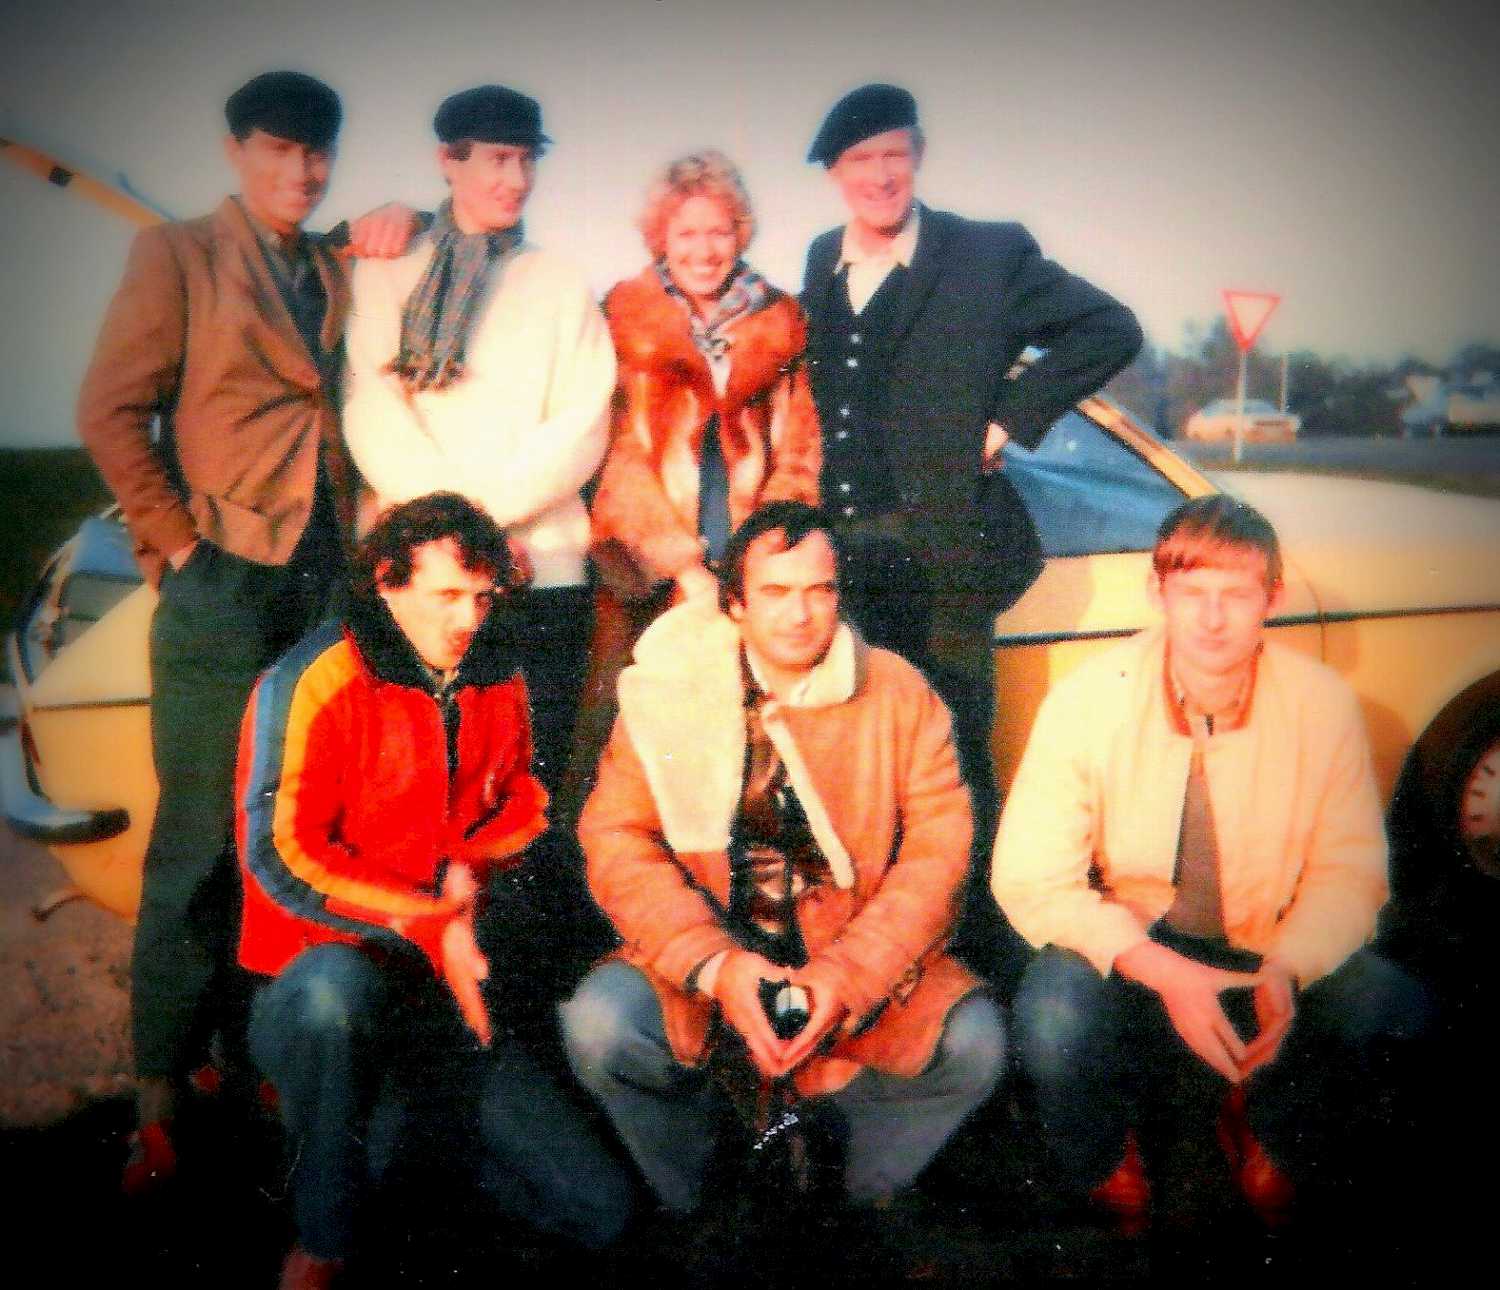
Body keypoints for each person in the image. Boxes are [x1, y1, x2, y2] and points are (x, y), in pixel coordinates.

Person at [560, 501, 1004, 1224]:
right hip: (712, 960)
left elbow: (939, 852)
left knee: (975, 1044)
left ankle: (838, 1196)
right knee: (600, 1026)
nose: (800, 614)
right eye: (775, 592)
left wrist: (847, 976)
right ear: (734, 604)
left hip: (850, 954)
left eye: (819, 590)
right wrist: (716, 965)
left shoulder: (898, 691)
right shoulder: (669, 691)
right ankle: (705, 1198)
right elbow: (615, 840)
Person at [991, 495, 1429, 1227]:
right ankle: (1103, 1155)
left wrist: (1289, 966)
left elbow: (1351, 872)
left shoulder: (1321, 702)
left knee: (1399, 1013)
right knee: (1052, 1022)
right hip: (1137, 943)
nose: (1213, 619)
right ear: (1156, 591)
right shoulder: (1088, 698)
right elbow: (1029, 875)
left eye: (1237, 595)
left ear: (1273, 599)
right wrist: (1159, 969)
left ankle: (1271, 1121)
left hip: (1268, 943)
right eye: (1193, 593)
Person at [236, 493, 632, 1288]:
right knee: (332, 1003)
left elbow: (522, 801)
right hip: (326, 976)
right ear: (388, 579)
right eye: (447, 595)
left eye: (482, 597)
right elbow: (278, 857)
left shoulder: (496, 671)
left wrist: (468, 868)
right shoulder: (311, 677)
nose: (468, 620)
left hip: (441, 998)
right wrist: (430, 923)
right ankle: (322, 1236)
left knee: (602, 1211)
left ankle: (397, 1138)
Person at [77, 70, 356, 1191]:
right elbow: (109, 409)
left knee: (291, 834)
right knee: (197, 842)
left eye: (317, 152)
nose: (301, 171)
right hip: (224, 582)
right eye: (279, 149)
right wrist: (180, 548)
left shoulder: (334, 263)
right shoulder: (178, 254)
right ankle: (158, 1097)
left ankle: (260, 1060)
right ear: (238, 151)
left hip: (322, 586)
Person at [799, 81, 1143, 787]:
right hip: (842, 557)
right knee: (858, 763)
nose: (880, 176)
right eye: (861, 160)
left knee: (951, 762)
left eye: (894, 155)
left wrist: (1006, 422)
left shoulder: (986, 253)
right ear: (835, 173)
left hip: (944, 554)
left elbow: (1109, 328)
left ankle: (968, 868)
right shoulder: (821, 258)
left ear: (919, 155)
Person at [341, 83, 614, 796]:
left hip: (539, 570)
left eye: (527, 160)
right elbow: (372, 408)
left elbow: (582, 424)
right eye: (497, 159)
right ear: (448, 161)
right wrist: (451, 536)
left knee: (529, 782)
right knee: (415, 780)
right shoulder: (388, 270)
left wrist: (479, 531)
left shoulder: (561, 282)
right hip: (417, 577)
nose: (515, 180)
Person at [590, 149, 820, 612]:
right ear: (661, 237)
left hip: (756, 570)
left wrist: (765, 554)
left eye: (719, 232)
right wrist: (682, 567)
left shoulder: (782, 323)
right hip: (649, 572)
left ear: (740, 235)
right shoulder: (622, 320)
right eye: (687, 234)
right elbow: (618, 460)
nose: (704, 251)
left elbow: (800, 455)